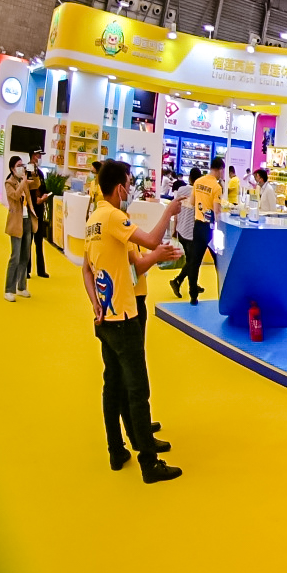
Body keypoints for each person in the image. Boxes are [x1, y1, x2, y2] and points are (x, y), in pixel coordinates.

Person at [83, 159, 185, 482]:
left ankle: (116, 448)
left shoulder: (93, 220)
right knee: (138, 390)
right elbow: (151, 243)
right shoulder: (115, 217)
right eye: (128, 185)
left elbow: (86, 270)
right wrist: (169, 212)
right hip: (125, 316)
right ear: (119, 188)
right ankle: (149, 463)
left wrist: (96, 304)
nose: (130, 190)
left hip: (106, 317)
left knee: (112, 385)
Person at [173, 160, 221, 303]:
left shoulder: (198, 182)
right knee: (219, 262)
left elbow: (192, 202)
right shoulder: (216, 187)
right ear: (220, 169)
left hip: (198, 225)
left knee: (195, 261)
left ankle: (193, 295)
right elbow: (217, 211)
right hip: (211, 229)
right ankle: (223, 293)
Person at [3, 155, 33, 301]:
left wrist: (33, 171)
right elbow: (15, 196)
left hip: (27, 220)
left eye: (22, 165)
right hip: (16, 221)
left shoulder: (23, 180)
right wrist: (23, 182)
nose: (21, 168)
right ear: (12, 168)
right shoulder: (9, 183)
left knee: (25, 256)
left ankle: (21, 286)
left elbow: (35, 186)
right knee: (15, 256)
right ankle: (9, 289)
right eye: (18, 166)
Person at [26, 162, 56, 280]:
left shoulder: (40, 174)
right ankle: (26, 270)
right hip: (30, 210)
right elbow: (27, 191)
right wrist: (35, 200)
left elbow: (43, 188)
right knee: (28, 241)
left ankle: (41, 270)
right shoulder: (26, 175)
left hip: (39, 211)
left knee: (39, 242)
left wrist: (44, 197)